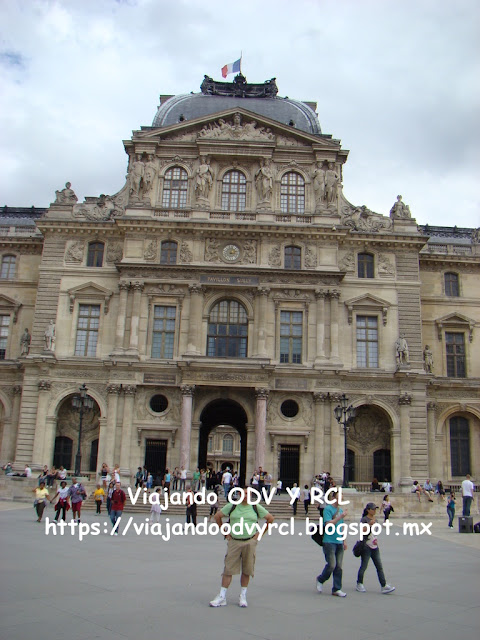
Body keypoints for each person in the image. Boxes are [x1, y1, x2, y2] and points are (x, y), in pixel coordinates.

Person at [209, 486, 274, 608]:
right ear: (239, 494)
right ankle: (222, 596)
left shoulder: (255, 507)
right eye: (243, 493)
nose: (245, 495)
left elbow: (270, 518)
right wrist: (225, 533)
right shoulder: (232, 506)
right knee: (228, 569)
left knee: (247, 569)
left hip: (250, 541)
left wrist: (259, 535)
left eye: (248, 493)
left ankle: (243, 596)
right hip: (234, 541)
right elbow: (217, 516)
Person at [356, 503, 395, 594]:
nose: (374, 511)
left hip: (374, 546)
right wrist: (369, 524)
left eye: (375, 509)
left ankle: (383, 585)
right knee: (364, 566)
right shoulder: (364, 519)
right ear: (368, 510)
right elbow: (363, 531)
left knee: (379, 566)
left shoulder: (376, 520)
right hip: (366, 546)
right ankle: (359, 583)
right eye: (373, 509)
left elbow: (375, 532)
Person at [316, 491, 348, 597]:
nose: (341, 499)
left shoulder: (341, 510)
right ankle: (320, 579)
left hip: (339, 540)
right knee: (331, 565)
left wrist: (344, 540)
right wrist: (340, 517)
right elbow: (328, 524)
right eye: (339, 497)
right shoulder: (328, 509)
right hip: (329, 541)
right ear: (333, 497)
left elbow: (341, 526)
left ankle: (337, 589)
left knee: (339, 566)